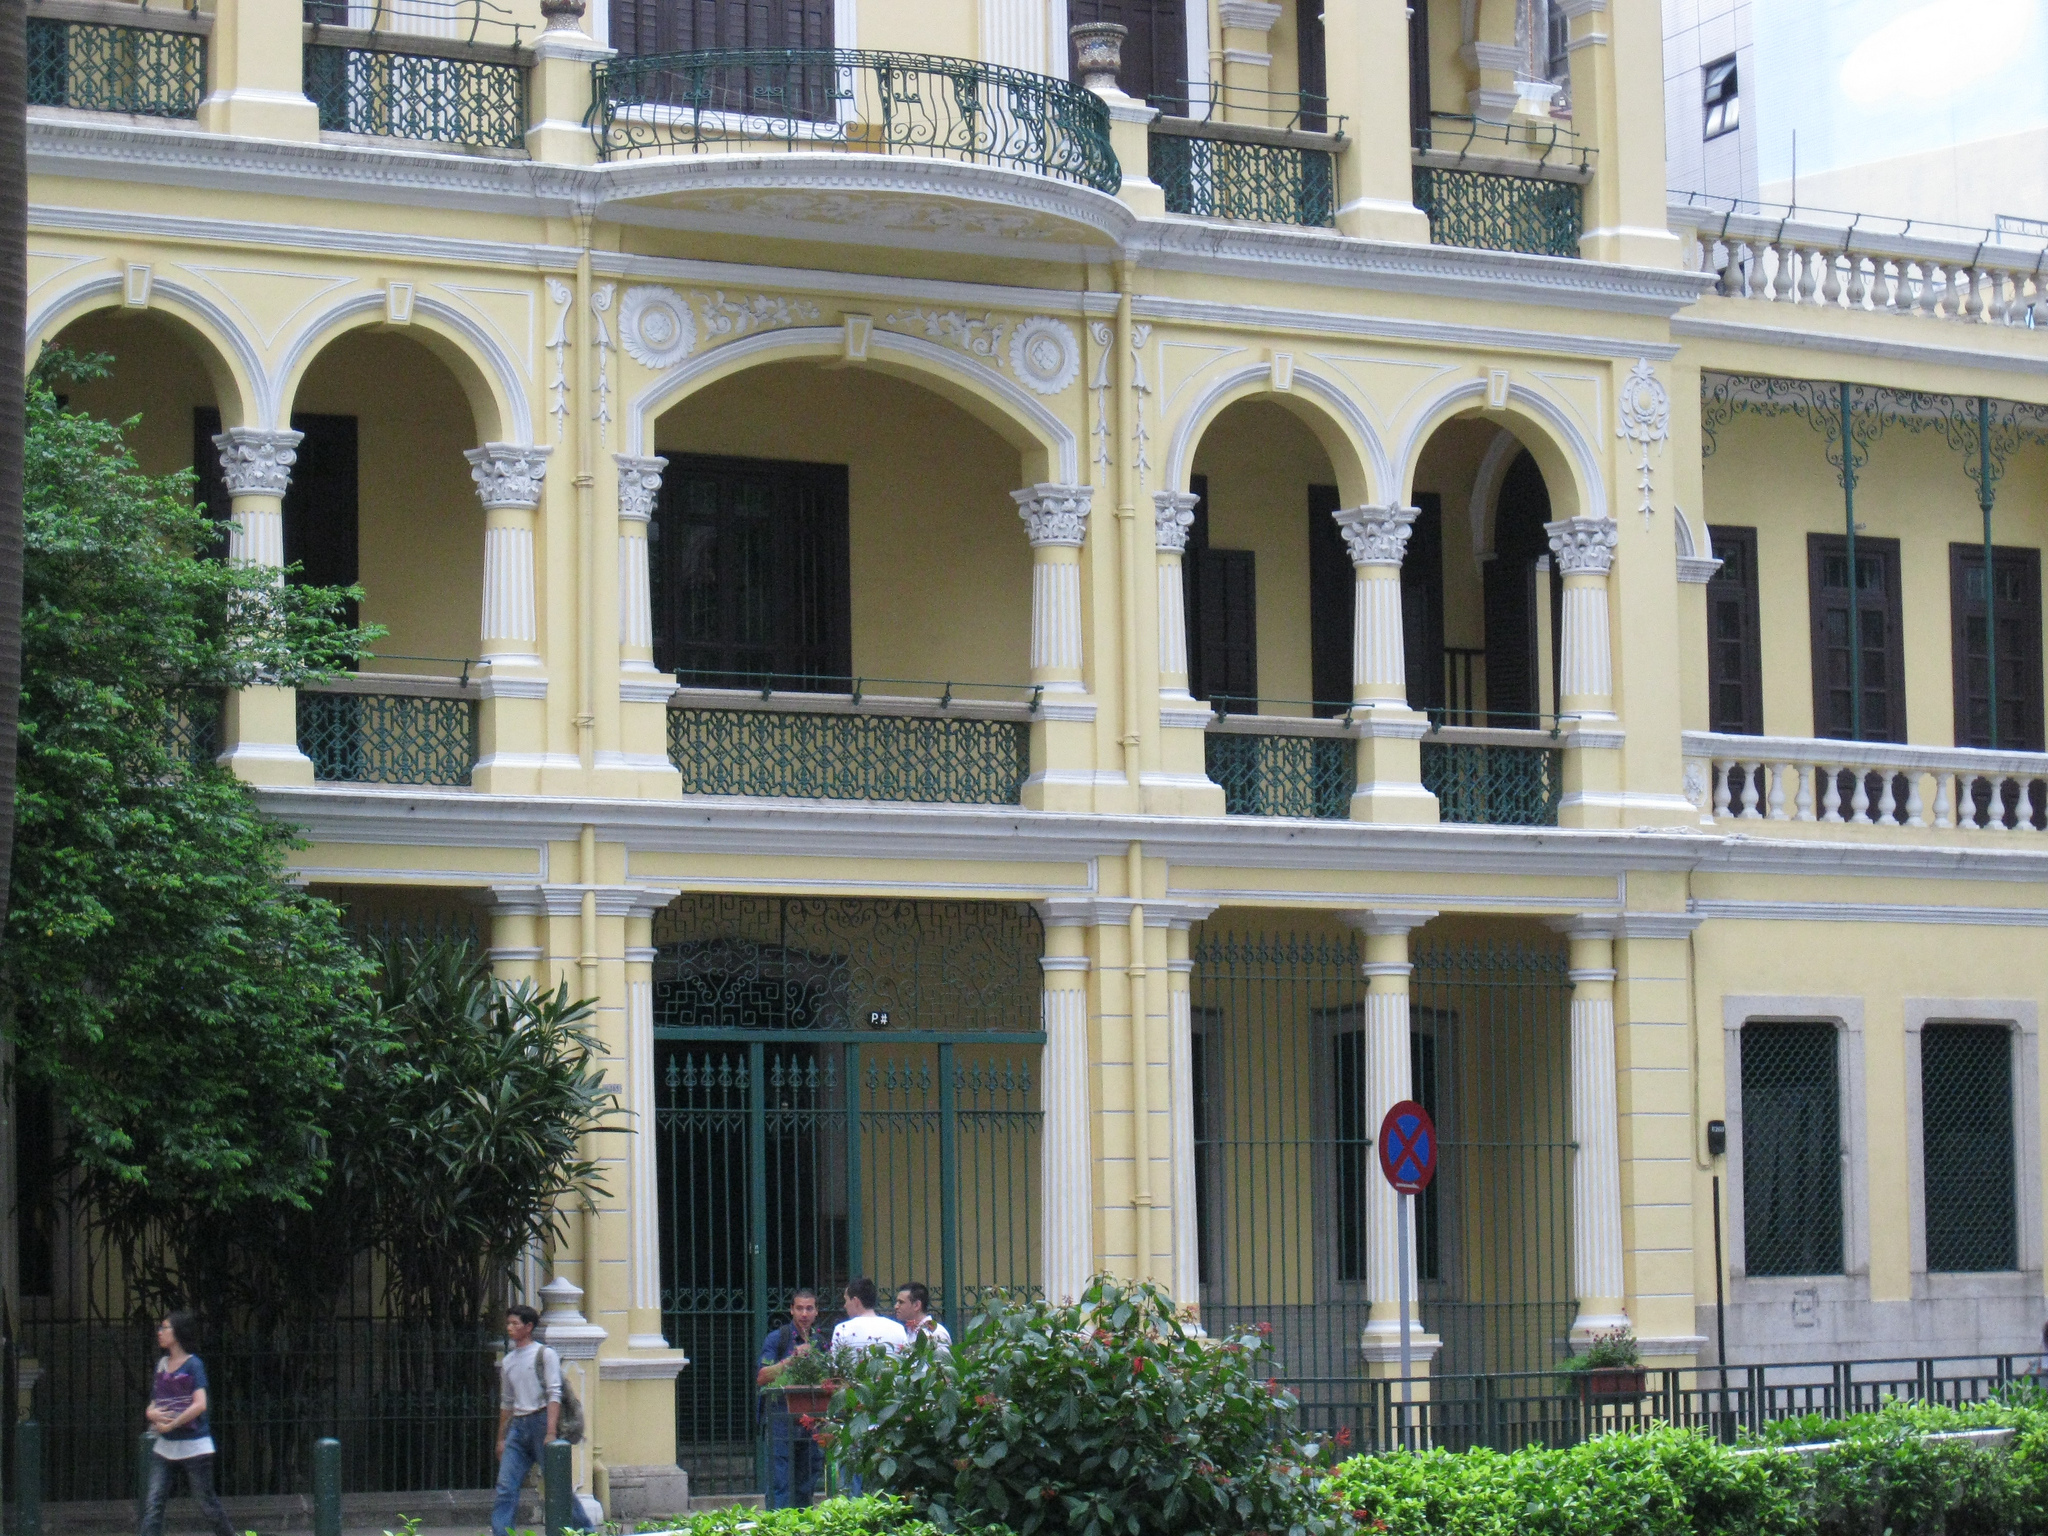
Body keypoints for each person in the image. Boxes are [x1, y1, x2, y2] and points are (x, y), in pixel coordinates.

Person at [491, 1305, 593, 1536]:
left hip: (541, 1420)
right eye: (508, 1323)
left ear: (528, 1327)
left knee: (557, 1484)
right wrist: (501, 1439)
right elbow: (507, 1402)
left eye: (515, 1323)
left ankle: (584, 1530)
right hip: (518, 1426)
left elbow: (554, 1393)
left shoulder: (544, 1354)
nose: (510, 1328)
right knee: (506, 1486)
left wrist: (550, 1431)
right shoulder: (508, 1361)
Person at [139, 1312, 238, 1536]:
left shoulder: (194, 1365)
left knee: (207, 1505)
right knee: (153, 1504)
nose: (159, 1332)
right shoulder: (162, 1364)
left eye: (165, 1328)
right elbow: (154, 1402)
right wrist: (152, 1414)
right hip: (165, 1447)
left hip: (194, 1446)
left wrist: (171, 1424)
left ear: (178, 1333)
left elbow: (200, 1404)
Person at [756, 1289, 824, 1510]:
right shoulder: (777, 1338)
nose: (804, 1314)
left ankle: (802, 1523)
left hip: (811, 1422)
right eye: (799, 1308)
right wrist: (793, 1359)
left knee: (807, 1482)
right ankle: (778, 1524)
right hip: (780, 1420)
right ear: (791, 1310)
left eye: (809, 1308)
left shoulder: (820, 1342)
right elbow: (762, 1377)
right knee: (780, 1483)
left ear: (816, 1311)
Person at [829, 1277, 911, 1356]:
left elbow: (835, 1362)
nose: (845, 1306)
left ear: (855, 1301)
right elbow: (907, 1360)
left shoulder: (842, 1330)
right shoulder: (898, 1329)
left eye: (846, 1300)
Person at [893, 1282, 952, 1348]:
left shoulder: (937, 1333)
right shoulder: (908, 1332)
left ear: (917, 1305)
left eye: (901, 1302)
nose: (896, 1306)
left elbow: (941, 1355)